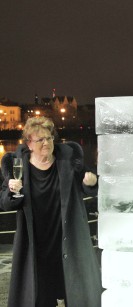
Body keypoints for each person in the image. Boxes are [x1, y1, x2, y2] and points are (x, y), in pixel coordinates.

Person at [0, 117, 102, 307]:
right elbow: (5, 203)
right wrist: (12, 191)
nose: (46, 143)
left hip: (67, 238)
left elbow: (88, 181)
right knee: (39, 294)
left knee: (75, 291)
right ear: (29, 144)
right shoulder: (17, 166)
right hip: (35, 243)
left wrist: (91, 182)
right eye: (40, 140)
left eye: (48, 138)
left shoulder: (69, 160)